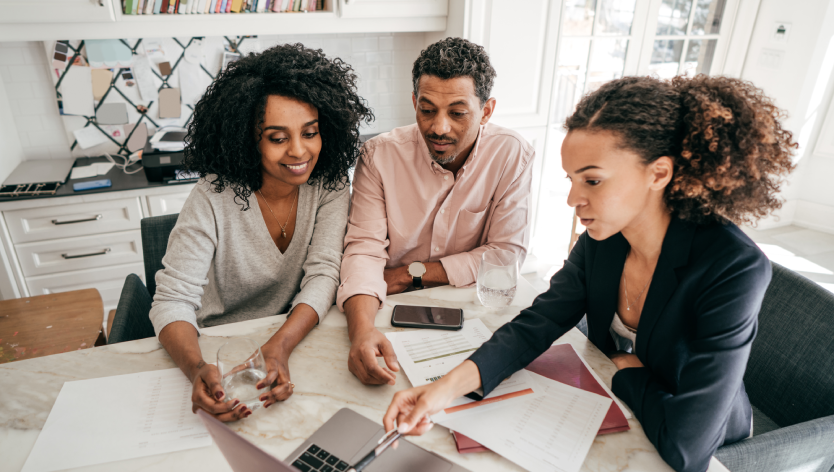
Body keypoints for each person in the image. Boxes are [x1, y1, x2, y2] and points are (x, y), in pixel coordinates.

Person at [382, 75, 797, 472]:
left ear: (659, 173)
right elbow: (539, 322)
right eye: (572, 180)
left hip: (707, 441)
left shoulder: (732, 267)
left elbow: (687, 448)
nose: (572, 199)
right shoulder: (606, 237)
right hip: (620, 411)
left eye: (593, 181)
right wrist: (441, 391)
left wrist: (626, 374)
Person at [149, 44, 372, 422]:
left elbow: (324, 273)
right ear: (249, 138)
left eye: (310, 132)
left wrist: (280, 346)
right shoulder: (213, 195)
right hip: (216, 344)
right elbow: (171, 300)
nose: (299, 152)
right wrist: (195, 367)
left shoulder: (330, 184)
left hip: (294, 336)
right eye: (277, 137)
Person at [337, 37, 535, 386]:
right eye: (427, 110)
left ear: (486, 111)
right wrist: (362, 332)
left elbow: (506, 255)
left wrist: (410, 273)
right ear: (414, 102)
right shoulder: (378, 156)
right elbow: (363, 251)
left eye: (457, 113)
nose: (439, 127)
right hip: (384, 307)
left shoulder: (511, 154)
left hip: (472, 313)